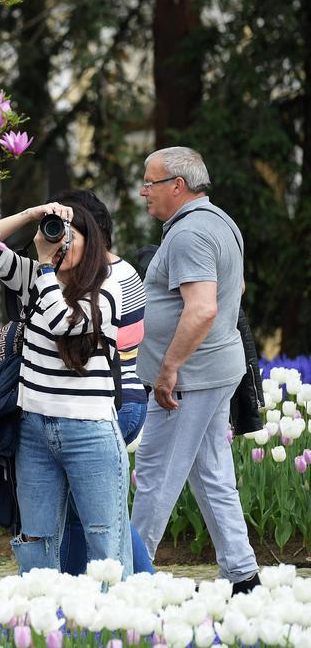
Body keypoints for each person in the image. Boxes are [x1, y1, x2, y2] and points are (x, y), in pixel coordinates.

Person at [131, 146, 260, 594]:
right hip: (215, 370)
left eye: (150, 182)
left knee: (155, 473)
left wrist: (169, 370)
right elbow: (236, 286)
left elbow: (202, 308)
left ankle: (130, 576)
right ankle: (243, 576)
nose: (144, 191)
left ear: (177, 186)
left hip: (189, 380)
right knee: (212, 475)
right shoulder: (220, 221)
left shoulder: (189, 234)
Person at [0, 201, 132, 576]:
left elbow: (66, 322)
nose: (59, 242)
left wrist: (46, 266)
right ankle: (43, 624)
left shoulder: (110, 285)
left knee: (105, 542)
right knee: (35, 540)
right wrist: (32, 215)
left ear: (91, 242)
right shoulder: (38, 277)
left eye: (69, 236)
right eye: (55, 233)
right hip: (33, 430)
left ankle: (118, 628)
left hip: (90, 433)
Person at [51, 189, 154, 576]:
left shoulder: (101, 276)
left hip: (111, 402)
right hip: (129, 398)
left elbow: (75, 341)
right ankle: (77, 591)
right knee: (83, 507)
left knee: (101, 510)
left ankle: (143, 585)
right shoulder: (123, 270)